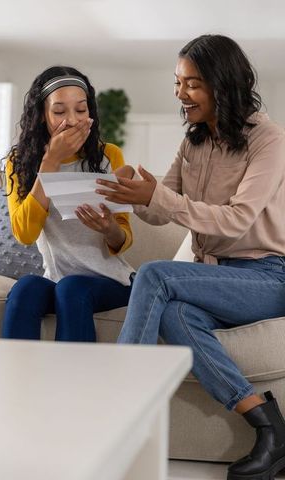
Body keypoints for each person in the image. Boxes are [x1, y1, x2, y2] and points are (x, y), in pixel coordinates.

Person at [95, 35, 285, 480]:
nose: (181, 94)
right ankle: (269, 427)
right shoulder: (194, 140)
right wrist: (129, 195)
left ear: (224, 86)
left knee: (156, 276)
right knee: (175, 313)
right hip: (215, 277)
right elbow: (163, 208)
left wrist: (158, 195)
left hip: (269, 278)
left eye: (192, 84)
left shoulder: (269, 140)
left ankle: (121, 408)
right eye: (178, 82)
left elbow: (237, 220)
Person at [1, 65, 134, 342]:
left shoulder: (109, 156)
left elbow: (123, 237)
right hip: (58, 280)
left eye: (81, 110)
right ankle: (14, 380)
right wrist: (50, 163)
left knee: (72, 289)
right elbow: (24, 233)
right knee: (26, 288)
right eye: (59, 112)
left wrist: (109, 228)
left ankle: (76, 383)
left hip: (111, 281)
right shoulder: (20, 162)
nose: (72, 120)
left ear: (90, 113)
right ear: (42, 116)